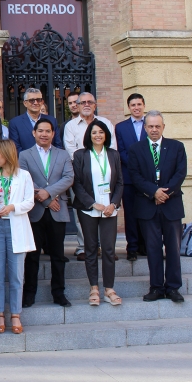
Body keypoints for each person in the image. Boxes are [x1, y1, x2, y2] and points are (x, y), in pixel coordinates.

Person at [128, 111, 187, 303]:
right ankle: (156, 287)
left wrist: (165, 193)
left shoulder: (177, 147)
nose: (154, 129)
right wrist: (154, 192)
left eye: (157, 126)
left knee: (173, 249)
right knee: (152, 249)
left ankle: (173, 288)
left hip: (171, 206)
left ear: (163, 127)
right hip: (148, 206)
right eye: (150, 126)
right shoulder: (135, 149)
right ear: (145, 128)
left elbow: (180, 173)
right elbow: (135, 176)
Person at [19, 118, 75, 307]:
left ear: (53, 134)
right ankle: (29, 293)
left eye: (48, 131)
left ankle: (58, 293)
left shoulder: (63, 154)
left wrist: (48, 194)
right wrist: (48, 200)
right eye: (40, 131)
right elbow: (24, 180)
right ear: (34, 133)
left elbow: (69, 178)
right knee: (32, 257)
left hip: (58, 213)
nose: (44, 134)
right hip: (34, 212)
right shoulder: (24, 155)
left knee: (58, 255)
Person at [72, 120, 124, 306]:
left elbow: (119, 183)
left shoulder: (113, 155)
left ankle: (109, 288)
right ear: (89, 135)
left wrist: (113, 203)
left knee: (109, 250)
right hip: (89, 210)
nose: (98, 135)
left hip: (110, 209)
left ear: (106, 135)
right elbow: (76, 183)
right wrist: (93, 203)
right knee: (91, 248)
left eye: (101, 132)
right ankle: (94, 287)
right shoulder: (80, 155)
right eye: (94, 132)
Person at [0, 139, 34, 334]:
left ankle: (15, 314)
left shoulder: (24, 176)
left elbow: (29, 201)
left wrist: (13, 207)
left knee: (16, 275)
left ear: (7, 154)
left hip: (16, 227)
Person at [63, 92, 116, 261]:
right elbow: (71, 150)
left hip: (104, 174)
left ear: (94, 105)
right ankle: (83, 247)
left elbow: (112, 148)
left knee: (106, 209)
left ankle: (107, 247)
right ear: (77, 106)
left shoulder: (106, 123)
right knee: (83, 210)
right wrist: (86, 165)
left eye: (90, 102)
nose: (86, 104)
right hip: (81, 175)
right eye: (82, 102)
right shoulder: (71, 126)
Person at [114, 93, 148, 261]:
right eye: (133, 105)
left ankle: (146, 245)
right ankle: (132, 247)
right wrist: (136, 166)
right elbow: (121, 151)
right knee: (131, 214)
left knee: (147, 213)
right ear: (129, 107)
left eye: (139, 104)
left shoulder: (151, 124)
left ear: (143, 106)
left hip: (148, 178)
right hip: (128, 178)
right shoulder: (121, 127)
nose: (136, 107)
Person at [8, 88, 63, 153]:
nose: (35, 103)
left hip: (50, 161)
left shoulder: (52, 121)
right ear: (25, 103)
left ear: (42, 102)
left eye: (38, 100)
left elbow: (58, 145)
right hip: (26, 162)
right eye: (32, 100)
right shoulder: (15, 123)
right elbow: (15, 148)